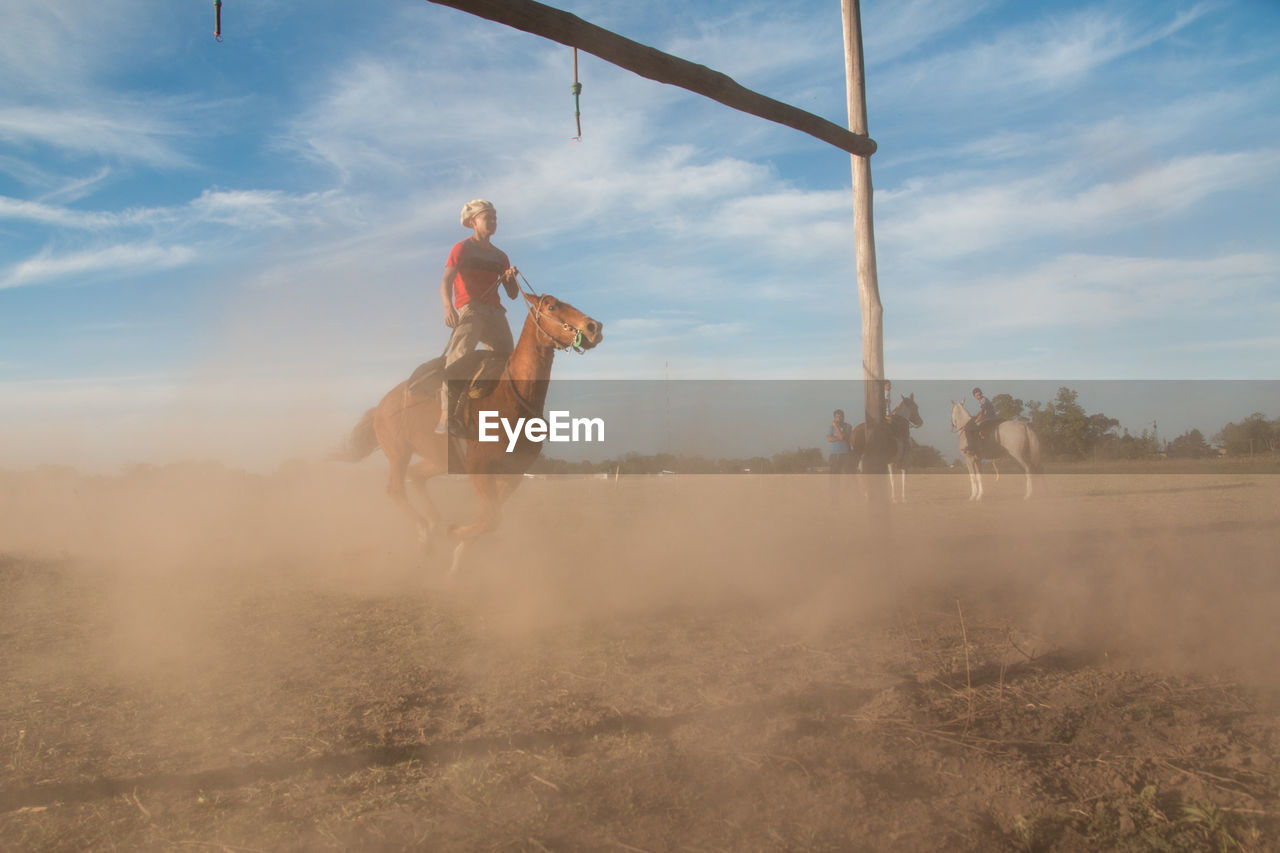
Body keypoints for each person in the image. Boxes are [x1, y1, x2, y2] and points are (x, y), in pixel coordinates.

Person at [436, 199, 521, 433]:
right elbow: (446, 280)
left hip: (495, 312)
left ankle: (485, 401)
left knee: (507, 358)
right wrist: (448, 307)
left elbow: (512, 294)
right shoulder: (462, 248)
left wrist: (509, 277)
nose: (493, 222)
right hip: (470, 308)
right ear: (474, 222)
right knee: (459, 357)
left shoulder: (500, 256)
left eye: (494, 218)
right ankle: (446, 416)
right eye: (487, 217)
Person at [827, 408, 854, 502]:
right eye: (837, 417)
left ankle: (848, 497)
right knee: (834, 479)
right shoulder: (830, 428)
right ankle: (834, 499)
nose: (839, 418)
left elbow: (843, 436)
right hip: (834, 455)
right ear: (834, 417)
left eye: (840, 416)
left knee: (848, 477)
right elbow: (829, 439)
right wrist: (838, 438)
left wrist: (836, 428)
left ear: (843, 417)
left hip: (846, 454)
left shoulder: (848, 426)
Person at [962, 386, 998, 453]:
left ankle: (971, 447)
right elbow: (981, 410)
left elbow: (983, 411)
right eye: (977, 395)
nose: (978, 396)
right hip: (989, 416)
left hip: (989, 418)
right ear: (974, 396)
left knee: (968, 427)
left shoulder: (983, 400)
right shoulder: (982, 400)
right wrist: (975, 416)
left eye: (979, 394)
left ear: (981, 394)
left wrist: (976, 420)